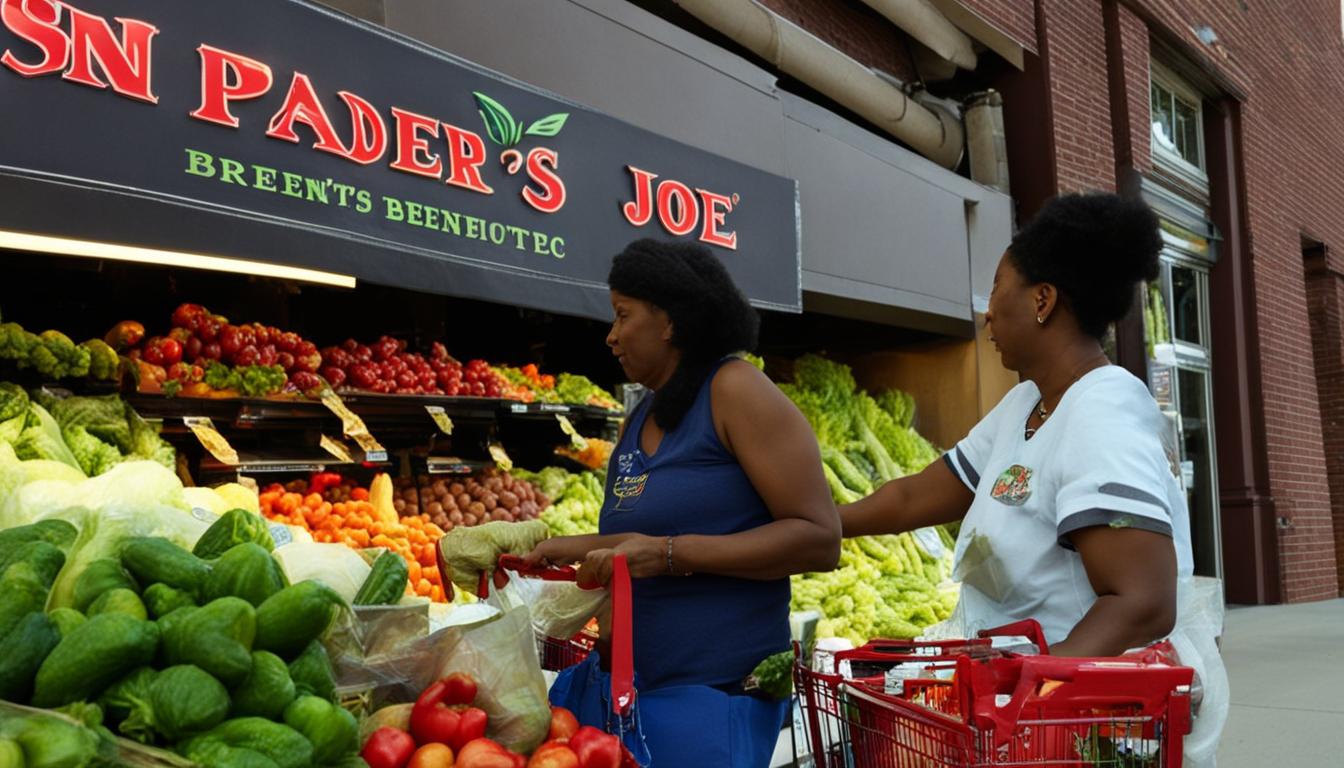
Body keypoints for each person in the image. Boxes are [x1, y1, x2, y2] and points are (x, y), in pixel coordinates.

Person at [841, 193, 1227, 764]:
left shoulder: (1102, 413)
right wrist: (817, 523)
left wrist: (1027, 691)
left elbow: (1143, 602)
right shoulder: (1028, 403)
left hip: (1080, 725)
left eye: (998, 288)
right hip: (1025, 718)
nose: (988, 312)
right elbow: (918, 494)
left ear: (1043, 300)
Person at [524, 238, 841, 767]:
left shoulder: (736, 389)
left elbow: (818, 538)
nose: (611, 336)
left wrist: (671, 555)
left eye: (622, 316)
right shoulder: (638, 419)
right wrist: (558, 548)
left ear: (668, 321)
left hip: (713, 703)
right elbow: (644, 536)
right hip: (627, 696)